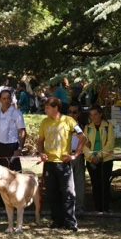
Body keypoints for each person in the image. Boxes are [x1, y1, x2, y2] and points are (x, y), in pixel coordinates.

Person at [37, 97, 86, 231]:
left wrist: (75, 155)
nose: (45, 110)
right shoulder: (44, 122)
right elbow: (40, 140)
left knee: (68, 193)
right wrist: (41, 152)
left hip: (63, 163)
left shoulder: (69, 121)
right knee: (52, 194)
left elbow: (83, 137)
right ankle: (57, 221)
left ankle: (70, 222)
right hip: (49, 163)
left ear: (55, 108)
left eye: (47, 107)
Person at [0, 89, 27, 207]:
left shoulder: (16, 113)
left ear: (11, 99)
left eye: (8, 98)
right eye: (4, 98)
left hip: (11, 146)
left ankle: (16, 200)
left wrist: (19, 149)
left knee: (13, 175)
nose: (6, 101)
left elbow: (22, 132)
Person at [83, 104, 115, 213]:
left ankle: (105, 208)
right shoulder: (87, 128)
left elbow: (110, 144)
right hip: (91, 160)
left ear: (100, 114)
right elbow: (84, 145)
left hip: (105, 160)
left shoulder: (108, 126)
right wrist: (91, 157)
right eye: (91, 115)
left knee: (104, 184)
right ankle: (97, 208)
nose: (93, 117)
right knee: (95, 184)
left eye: (95, 114)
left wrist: (99, 156)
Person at [67, 103, 86, 213]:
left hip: (78, 155)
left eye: (74, 112)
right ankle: (68, 206)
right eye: (69, 112)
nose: (71, 114)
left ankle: (79, 206)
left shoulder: (83, 126)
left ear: (79, 113)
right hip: (66, 155)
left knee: (79, 181)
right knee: (67, 182)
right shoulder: (64, 124)